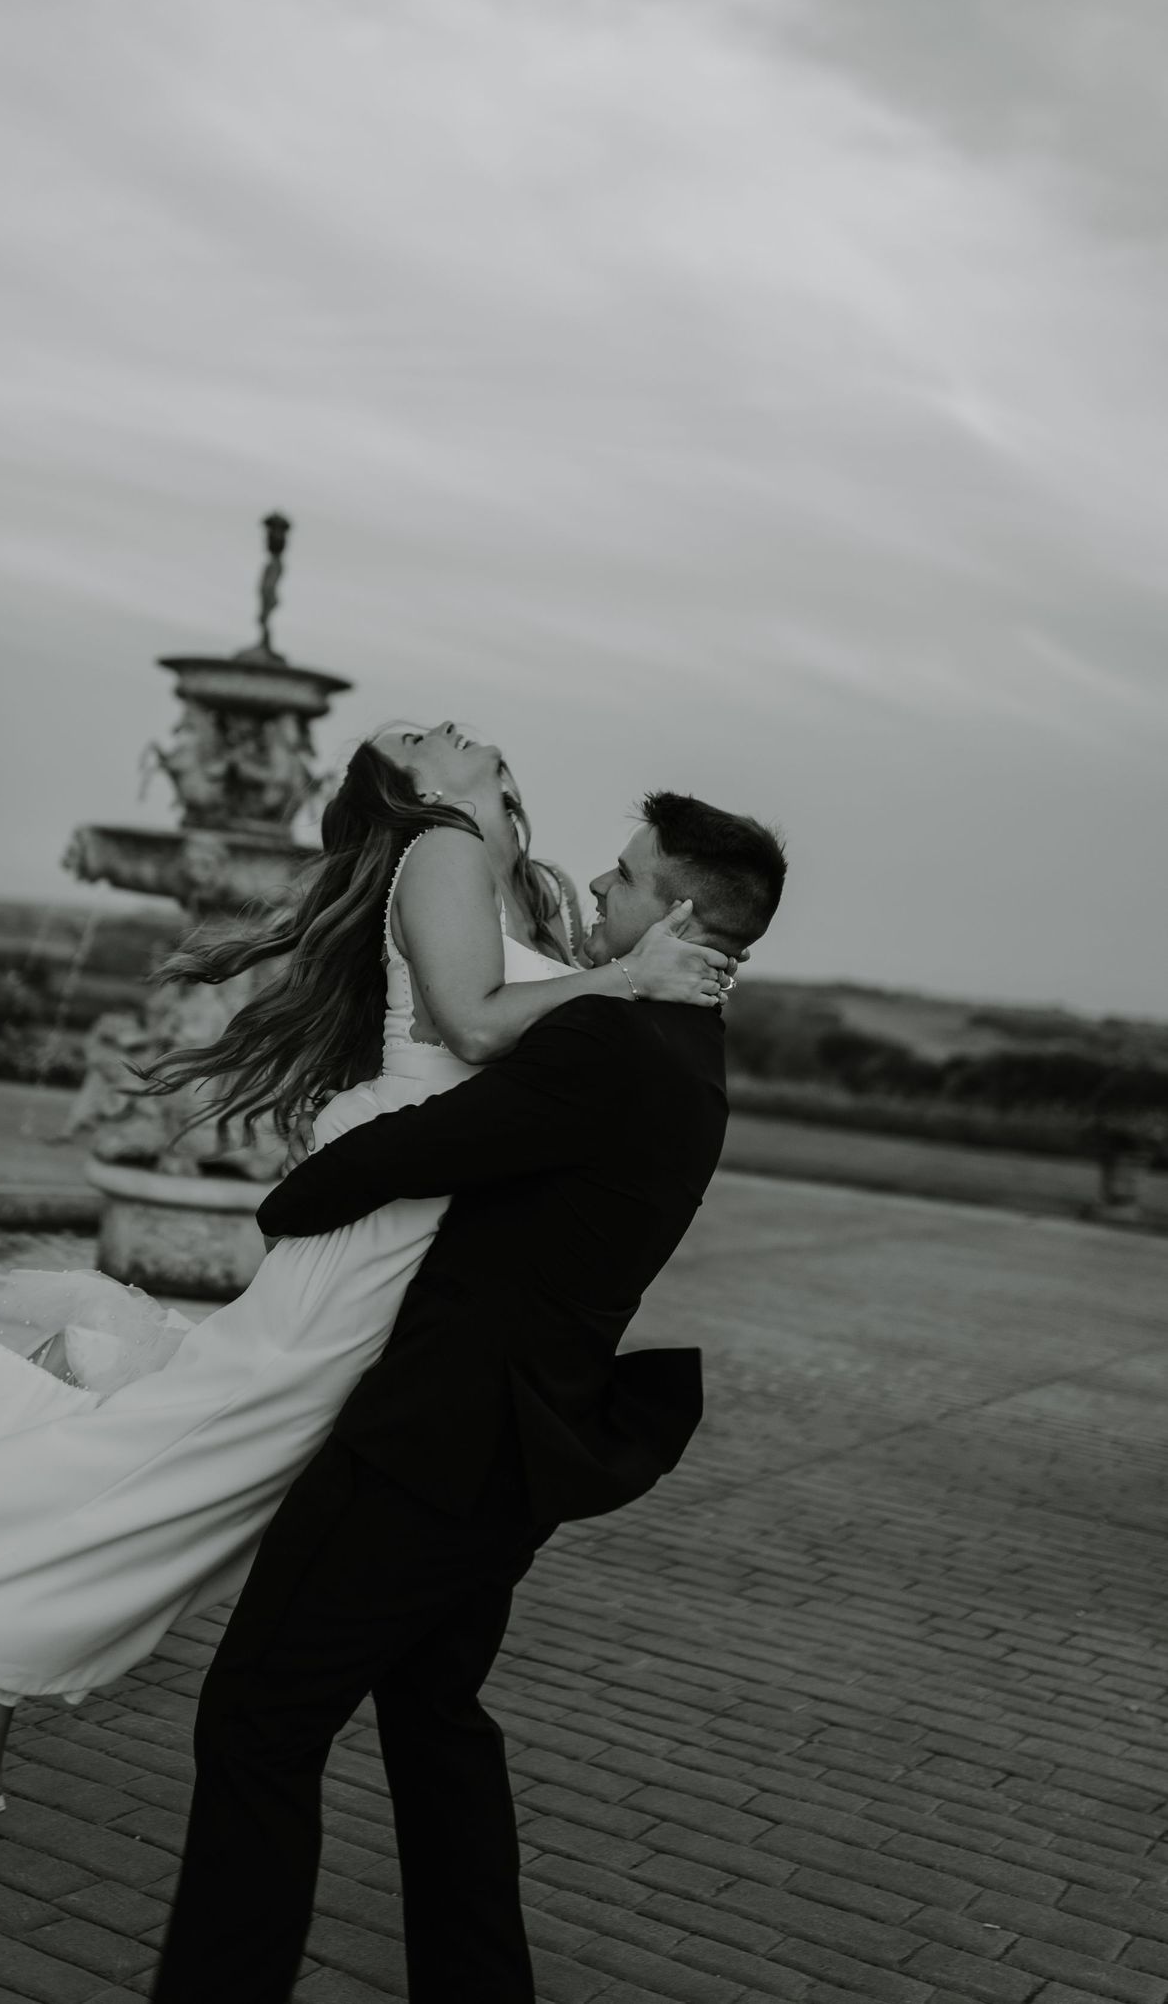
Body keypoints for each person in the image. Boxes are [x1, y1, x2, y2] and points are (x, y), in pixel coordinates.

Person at [0, 726, 733, 1813]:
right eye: (415, 738)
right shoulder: (444, 850)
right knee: (227, 1425)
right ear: (411, 789)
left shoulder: (538, 888)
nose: (442, 728)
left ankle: (6, 1633)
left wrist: (635, 977)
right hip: (389, 1203)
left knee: (262, 1451)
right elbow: (473, 1028)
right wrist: (625, 976)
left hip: (442, 1204)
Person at [151, 788, 786, 2004]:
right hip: (519, 1456)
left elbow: (418, 1148)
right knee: (434, 1719)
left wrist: (296, 1198)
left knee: (255, 1722)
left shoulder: (610, 1044)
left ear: (679, 914)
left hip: (428, 1451)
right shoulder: (692, 1057)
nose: (597, 886)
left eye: (625, 876)